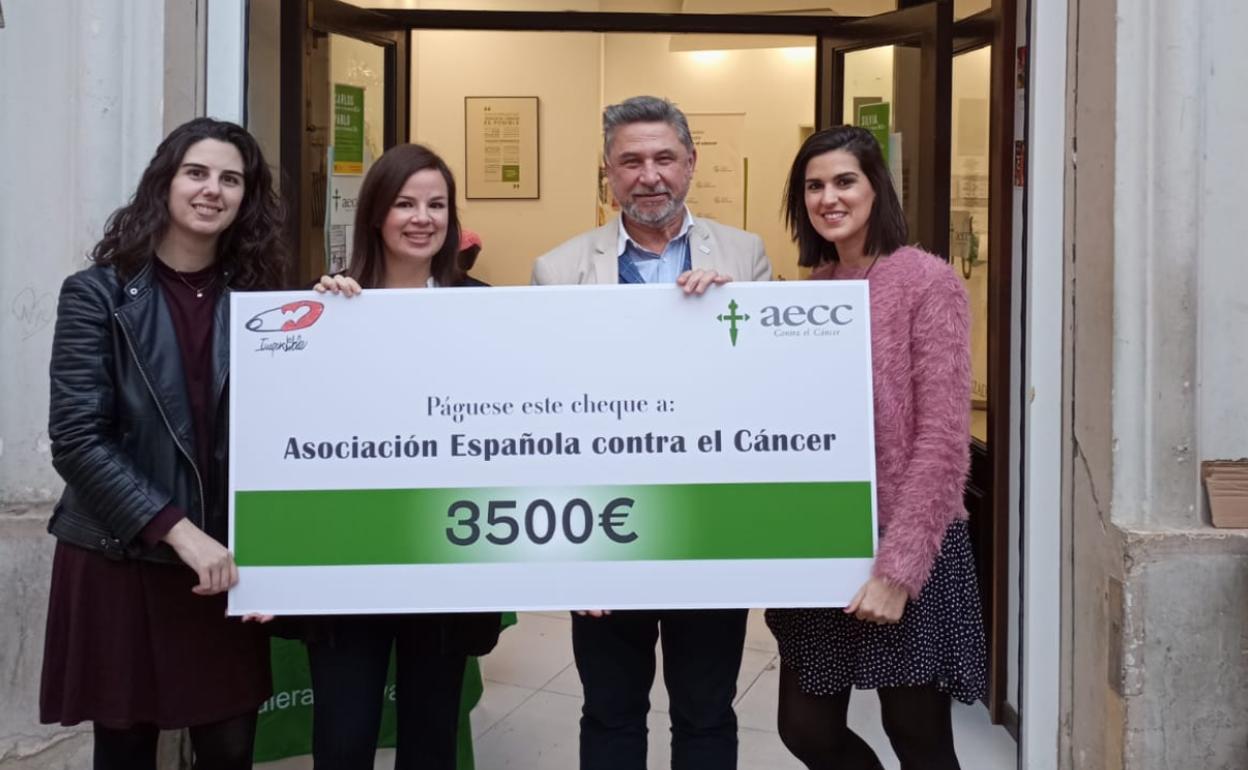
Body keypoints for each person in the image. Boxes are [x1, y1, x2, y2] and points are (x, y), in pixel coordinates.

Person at [532, 95, 771, 770]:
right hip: (605, 530)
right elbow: (544, 414)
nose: (649, 175)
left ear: (691, 164)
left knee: (705, 714)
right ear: (607, 173)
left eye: (664, 157)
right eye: (630, 161)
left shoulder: (745, 257)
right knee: (610, 712)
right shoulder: (558, 270)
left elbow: (769, 392)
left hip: (708, 526)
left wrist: (737, 316)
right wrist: (569, 564)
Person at [41, 117, 286, 769]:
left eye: (231, 179)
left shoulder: (266, 304)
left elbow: (296, 428)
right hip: (124, 555)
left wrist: (338, 307)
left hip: (224, 564)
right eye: (196, 173)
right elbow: (76, 439)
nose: (213, 190)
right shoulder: (96, 294)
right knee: (125, 747)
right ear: (165, 182)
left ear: (246, 198)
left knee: (230, 744)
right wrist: (178, 531)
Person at [765, 125, 988, 769]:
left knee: (916, 734)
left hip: (907, 544)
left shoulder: (927, 282)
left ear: (875, 188)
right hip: (824, 539)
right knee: (805, 729)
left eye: (844, 181)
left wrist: (898, 571)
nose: (828, 198)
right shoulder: (809, 296)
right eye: (814, 186)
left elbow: (944, 440)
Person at [310, 143, 501, 770]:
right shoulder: (328, 309)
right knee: (344, 737)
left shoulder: (486, 308)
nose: (423, 217)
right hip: (349, 555)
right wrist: (316, 323)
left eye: (437, 204)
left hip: (444, 553)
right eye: (405, 203)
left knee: (430, 739)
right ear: (374, 215)